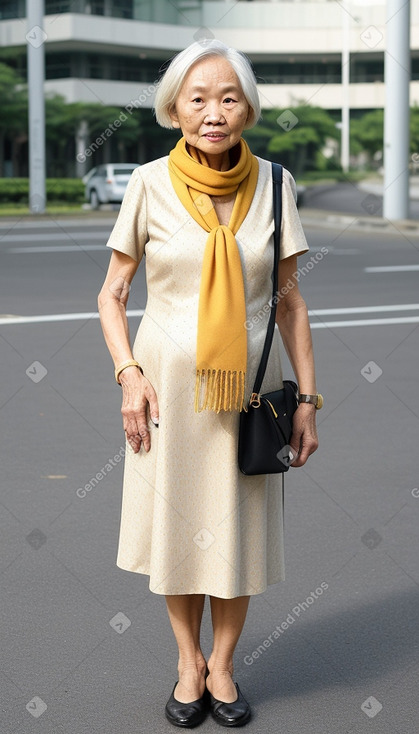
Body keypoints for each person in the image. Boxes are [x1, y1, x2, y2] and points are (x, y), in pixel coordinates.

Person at [98, 39, 320, 728]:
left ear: (247, 107)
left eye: (227, 97)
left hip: (251, 395)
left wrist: (308, 401)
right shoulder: (147, 183)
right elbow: (111, 295)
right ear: (174, 109)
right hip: (167, 393)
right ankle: (185, 661)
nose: (213, 112)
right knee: (178, 530)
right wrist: (128, 374)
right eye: (197, 98)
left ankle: (221, 665)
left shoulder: (275, 185)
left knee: (236, 534)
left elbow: (289, 303)